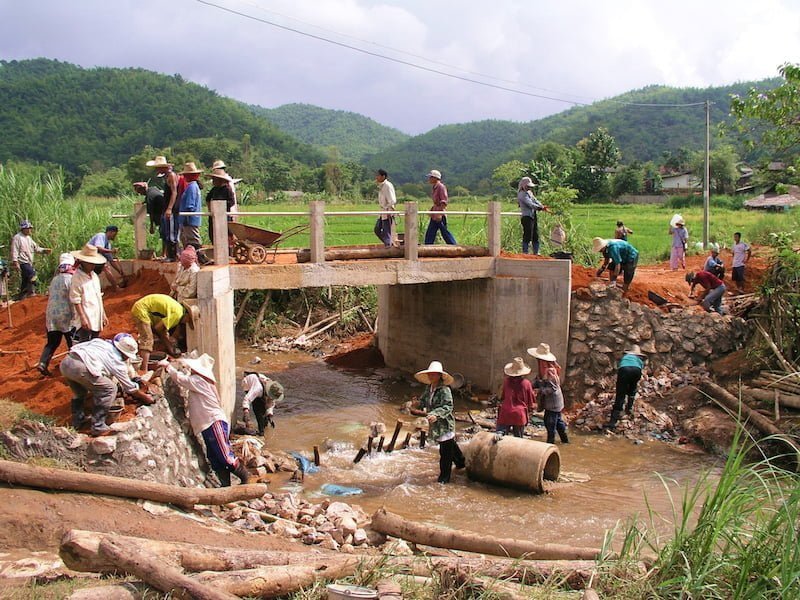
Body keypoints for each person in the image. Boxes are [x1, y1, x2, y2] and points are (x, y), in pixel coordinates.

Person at [159, 353, 251, 486]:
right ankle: (225, 487)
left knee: (225, 457)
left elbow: (182, 380)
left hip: (214, 421)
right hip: (208, 424)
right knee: (214, 458)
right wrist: (175, 361)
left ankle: (245, 477)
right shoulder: (203, 381)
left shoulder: (199, 381)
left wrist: (168, 367)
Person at [60, 333, 153, 436]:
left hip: (66, 363)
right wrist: (145, 397)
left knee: (80, 393)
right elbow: (129, 388)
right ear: (123, 353)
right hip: (80, 368)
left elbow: (76, 347)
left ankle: (78, 420)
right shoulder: (116, 360)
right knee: (109, 389)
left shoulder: (101, 343)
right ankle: (98, 426)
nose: (127, 358)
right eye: (127, 356)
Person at [409, 360, 464, 483]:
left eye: (433, 374)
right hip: (436, 425)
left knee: (445, 453)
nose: (431, 376)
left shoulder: (445, 390)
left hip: (444, 425)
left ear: (440, 376)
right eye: (430, 374)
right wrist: (417, 404)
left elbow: (448, 406)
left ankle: (444, 479)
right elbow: (423, 402)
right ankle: (462, 465)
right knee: (450, 446)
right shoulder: (429, 388)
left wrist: (435, 414)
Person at [37, 253, 77, 376]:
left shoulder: (54, 279)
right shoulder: (71, 279)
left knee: (52, 342)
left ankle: (43, 363)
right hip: (66, 314)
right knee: (72, 342)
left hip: (51, 314)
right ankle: (74, 366)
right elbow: (73, 298)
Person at [130, 293, 195, 369]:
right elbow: (158, 328)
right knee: (147, 340)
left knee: (158, 335)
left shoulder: (178, 309)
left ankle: (145, 361)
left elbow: (160, 329)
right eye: (188, 320)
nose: (186, 322)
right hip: (141, 310)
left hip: (143, 308)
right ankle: (144, 369)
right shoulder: (178, 315)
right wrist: (168, 342)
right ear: (187, 315)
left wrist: (169, 346)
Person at [528, 343, 568, 444]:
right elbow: (538, 381)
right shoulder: (543, 370)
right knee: (558, 422)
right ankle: (565, 441)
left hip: (553, 404)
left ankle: (550, 443)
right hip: (554, 403)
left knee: (550, 423)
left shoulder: (550, 371)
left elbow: (552, 388)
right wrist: (529, 385)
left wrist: (540, 390)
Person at [69, 244, 107, 343]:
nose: (92, 265)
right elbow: (75, 299)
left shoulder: (94, 276)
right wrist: (83, 317)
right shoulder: (77, 277)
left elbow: (98, 296)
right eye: (90, 263)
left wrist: (103, 314)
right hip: (86, 315)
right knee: (84, 343)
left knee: (94, 342)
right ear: (83, 262)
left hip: (96, 314)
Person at [606, 344, 646, 431]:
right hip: (636, 370)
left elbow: (621, 366)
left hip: (624, 369)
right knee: (632, 388)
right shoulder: (639, 360)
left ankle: (613, 420)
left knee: (620, 393)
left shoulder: (625, 357)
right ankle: (629, 408)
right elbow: (640, 369)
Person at [147, 155, 180, 261]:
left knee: (171, 233)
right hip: (167, 208)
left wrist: (169, 208)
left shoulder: (171, 176)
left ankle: (172, 256)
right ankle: (171, 255)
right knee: (166, 232)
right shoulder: (167, 176)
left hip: (171, 209)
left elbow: (174, 193)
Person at [10, 220, 51, 299]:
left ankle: (22, 295)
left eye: (30, 228)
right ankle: (32, 292)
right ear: (23, 229)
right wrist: (15, 261)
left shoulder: (29, 238)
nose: (29, 230)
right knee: (32, 275)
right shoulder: (17, 238)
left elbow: (36, 248)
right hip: (23, 262)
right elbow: (14, 250)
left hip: (29, 261)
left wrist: (44, 250)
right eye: (27, 228)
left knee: (25, 280)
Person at [497, 357, 536, 437]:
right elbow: (531, 401)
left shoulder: (506, 382)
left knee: (501, 437)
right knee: (518, 440)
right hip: (519, 414)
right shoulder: (526, 383)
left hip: (505, 412)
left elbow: (503, 396)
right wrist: (531, 409)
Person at [205, 168, 236, 254]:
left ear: (220, 180)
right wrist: (211, 209)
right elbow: (207, 198)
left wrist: (221, 206)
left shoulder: (227, 189)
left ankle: (229, 252)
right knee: (213, 233)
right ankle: (218, 251)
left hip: (224, 217)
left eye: (214, 179)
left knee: (226, 235)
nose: (213, 181)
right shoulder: (214, 189)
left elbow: (231, 202)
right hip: (215, 216)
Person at [424, 170, 457, 245]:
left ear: (435, 178)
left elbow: (444, 201)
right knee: (430, 232)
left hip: (439, 215)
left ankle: (454, 245)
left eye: (431, 177)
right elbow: (436, 203)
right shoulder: (434, 187)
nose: (429, 179)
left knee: (444, 232)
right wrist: (431, 211)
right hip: (435, 214)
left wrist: (439, 213)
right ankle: (427, 247)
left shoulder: (441, 187)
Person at [178, 162, 203, 252]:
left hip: (190, 220)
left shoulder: (191, 187)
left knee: (192, 240)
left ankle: (198, 257)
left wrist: (186, 219)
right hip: (191, 219)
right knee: (189, 239)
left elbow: (190, 205)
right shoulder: (194, 186)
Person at [517, 176, 547, 254]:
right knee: (527, 234)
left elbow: (535, 200)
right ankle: (525, 252)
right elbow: (530, 204)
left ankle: (536, 252)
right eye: (528, 186)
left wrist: (542, 206)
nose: (529, 188)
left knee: (535, 234)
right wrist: (540, 208)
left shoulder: (530, 193)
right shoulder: (522, 194)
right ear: (523, 185)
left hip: (533, 215)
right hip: (527, 217)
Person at [374, 169, 396, 247]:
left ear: (383, 176)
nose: (376, 177)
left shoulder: (387, 185)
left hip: (387, 211)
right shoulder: (381, 185)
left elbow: (392, 200)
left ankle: (388, 245)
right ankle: (389, 244)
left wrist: (388, 209)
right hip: (382, 211)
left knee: (386, 231)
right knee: (377, 229)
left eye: (378, 175)